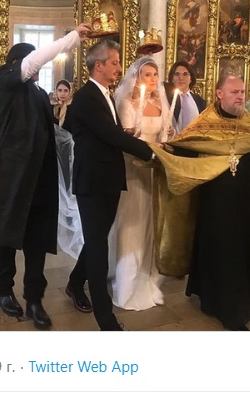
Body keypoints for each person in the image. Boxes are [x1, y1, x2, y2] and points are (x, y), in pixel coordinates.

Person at [0, 23, 90, 330]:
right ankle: (3, 291)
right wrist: (72, 38)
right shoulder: (5, 80)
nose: (38, 66)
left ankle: (34, 298)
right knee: (4, 237)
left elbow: (50, 133)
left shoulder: (39, 95)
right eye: (32, 61)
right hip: (9, 177)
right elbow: (32, 62)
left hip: (39, 179)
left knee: (37, 241)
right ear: (18, 64)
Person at [153, 74, 250, 331]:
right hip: (214, 204)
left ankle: (236, 306)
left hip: (244, 202)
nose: (241, 96)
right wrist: (166, 149)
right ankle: (224, 309)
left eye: (243, 92)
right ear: (220, 94)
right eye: (235, 92)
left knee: (240, 253)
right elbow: (186, 149)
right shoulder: (204, 123)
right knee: (219, 253)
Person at [64, 40, 156, 331]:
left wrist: (125, 133)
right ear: (98, 65)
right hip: (93, 182)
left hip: (108, 179)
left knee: (98, 238)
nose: (119, 67)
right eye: (114, 62)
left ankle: (74, 283)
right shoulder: (86, 97)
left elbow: (108, 133)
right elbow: (109, 136)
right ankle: (106, 319)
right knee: (98, 248)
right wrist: (152, 153)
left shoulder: (103, 94)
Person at [109, 57, 172, 310]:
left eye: (155, 74)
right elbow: (126, 141)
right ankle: (127, 283)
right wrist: (141, 142)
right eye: (147, 75)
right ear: (136, 78)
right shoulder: (127, 104)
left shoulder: (161, 104)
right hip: (133, 171)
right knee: (132, 224)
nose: (153, 79)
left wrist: (168, 139)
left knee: (151, 224)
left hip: (154, 172)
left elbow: (165, 134)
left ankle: (147, 276)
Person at [51, 80, 83, 260]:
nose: (62, 93)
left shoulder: (73, 109)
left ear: (70, 92)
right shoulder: (53, 109)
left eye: (65, 90)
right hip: (55, 152)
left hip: (71, 151)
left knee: (69, 180)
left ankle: (70, 213)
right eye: (60, 90)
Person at [165, 60, 206, 134]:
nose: (181, 78)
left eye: (185, 74)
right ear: (172, 79)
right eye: (177, 74)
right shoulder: (166, 99)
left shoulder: (200, 102)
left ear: (191, 78)